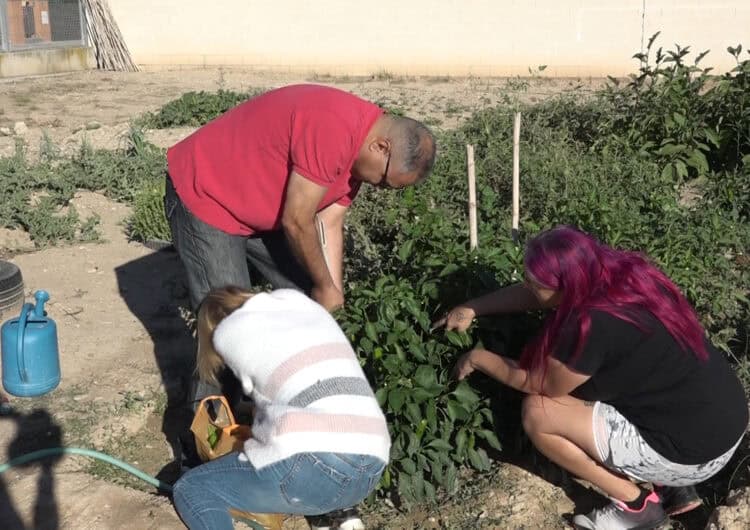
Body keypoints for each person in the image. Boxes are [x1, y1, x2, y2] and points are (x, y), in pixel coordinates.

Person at [434, 225, 747, 530]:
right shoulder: (627, 276)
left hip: (693, 456)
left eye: (534, 283)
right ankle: (671, 485)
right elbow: (542, 294)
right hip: (722, 424)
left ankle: (636, 505)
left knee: (539, 412)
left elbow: (538, 382)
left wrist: (477, 357)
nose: (528, 287)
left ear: (567, 284)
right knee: (614, 380)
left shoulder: (592, 324)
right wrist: (474, 307)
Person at [171, 287, 390, 530]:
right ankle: (338, 515)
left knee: (193, 488)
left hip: (315, 464)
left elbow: (264, 416)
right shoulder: (306, 314)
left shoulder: (231, 335)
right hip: (372, 466)